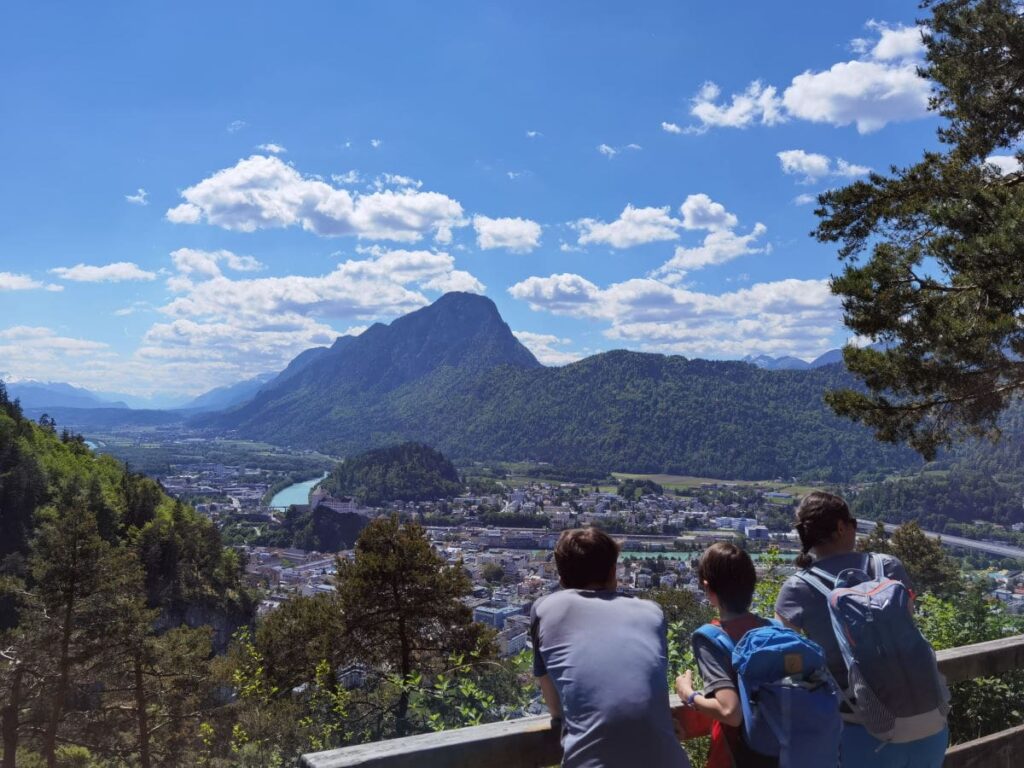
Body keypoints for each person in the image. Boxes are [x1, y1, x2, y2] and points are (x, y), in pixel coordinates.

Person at [774, 491, 949, 768]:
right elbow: (908, 622)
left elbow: (791, 661)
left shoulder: (797, 589)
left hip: (861, 730)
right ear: (842, 527)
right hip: (928, 719)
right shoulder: (888, 567)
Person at [531, 527, 690, 768]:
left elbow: (556, 709)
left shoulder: (546, 610)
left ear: (561, 578)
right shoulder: (651, 613)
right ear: (614, 570)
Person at [675, 542, 778, 768]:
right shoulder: (773, 630)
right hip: (780, 753)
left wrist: (688, 694)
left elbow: (730, 712)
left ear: (707, 587)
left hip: (735, 756)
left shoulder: (711, 638)